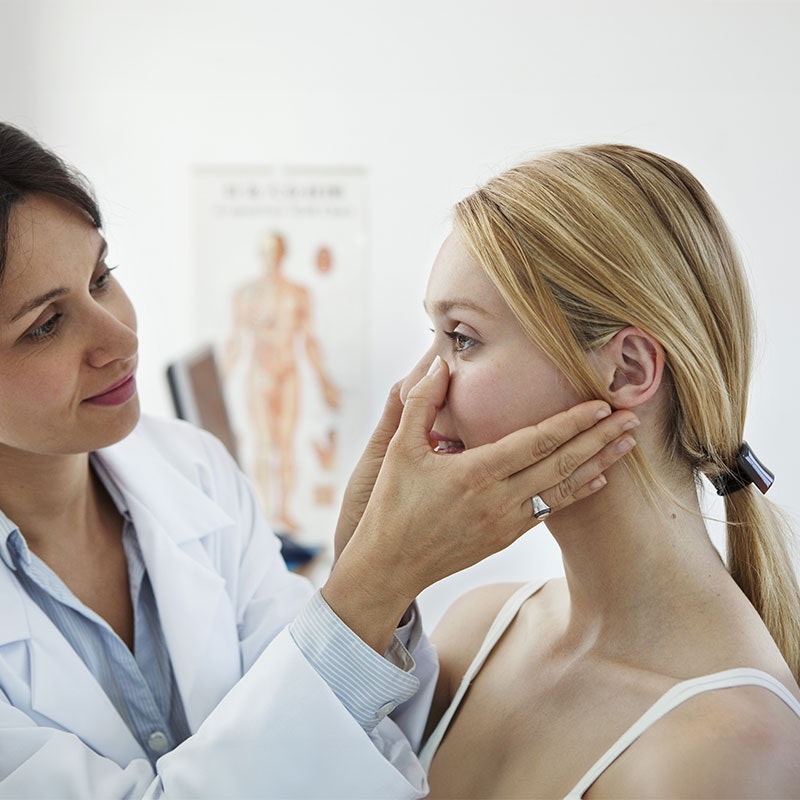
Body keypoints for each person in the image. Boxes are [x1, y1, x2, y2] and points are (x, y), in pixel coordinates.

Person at [0, 121, 638, 799]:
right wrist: (375, 579)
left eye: (101, 278)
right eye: (43, 326)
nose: (120, 338)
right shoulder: (489, 626)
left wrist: (374, 585)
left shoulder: (194, 474)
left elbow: (349, 738)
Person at [408, 144, 800, 798]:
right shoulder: (474, 633)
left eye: (463, 339)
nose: (419, 387)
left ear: (626, 371)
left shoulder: (727, 753)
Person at [224, 231, 339, 533]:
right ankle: (264, 510)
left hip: (288, 374)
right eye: (265, 252)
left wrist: (325, 381)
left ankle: (283, 510)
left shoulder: (298, 294)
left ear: (283, 254)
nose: (270, 258)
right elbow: (235, 341)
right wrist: (220, 380)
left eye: (274, 251)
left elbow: (309, 340)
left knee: (286, 444)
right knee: (264, 443)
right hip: (259, 374)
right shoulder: (246, 294)